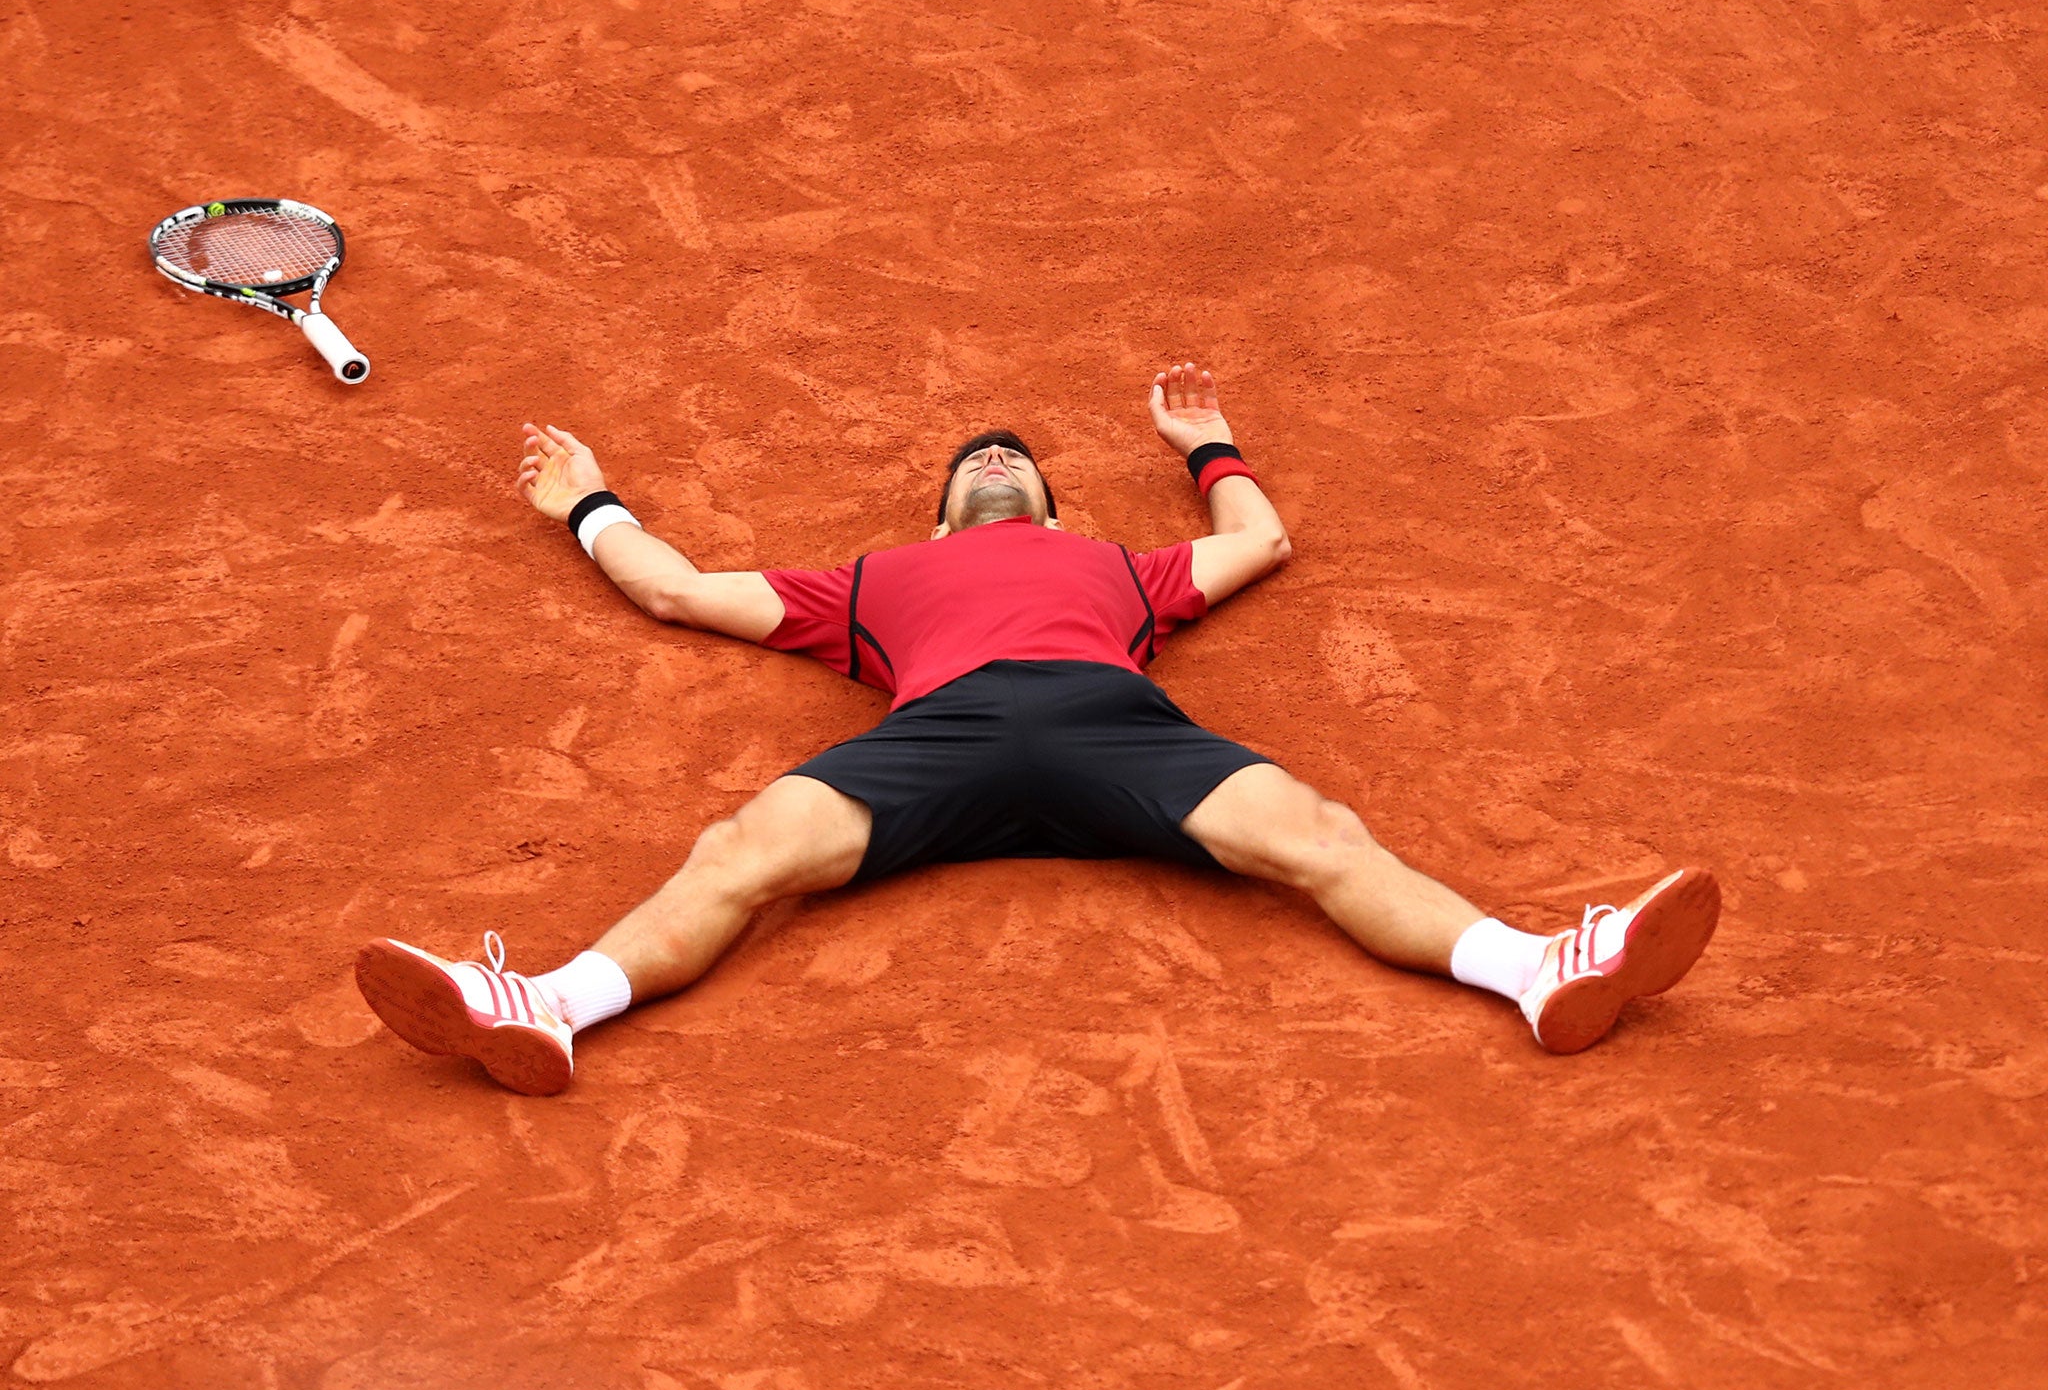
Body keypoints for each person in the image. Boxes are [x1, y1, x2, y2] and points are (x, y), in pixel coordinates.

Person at [354, 364, 1720, 1096]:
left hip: (1112, 722)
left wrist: (1211, 448)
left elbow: (1263, 541)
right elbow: (674, 588)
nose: (994, 458)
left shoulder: (1122, 567)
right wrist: (591, 504)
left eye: (1016, 461)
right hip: (937, 736)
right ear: (944, 515)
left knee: (1318, 834)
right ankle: (550, 1006)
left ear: (1057, 517)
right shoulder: (869, 582)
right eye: (972, 463)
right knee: (742, 850)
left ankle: (1540, 971)